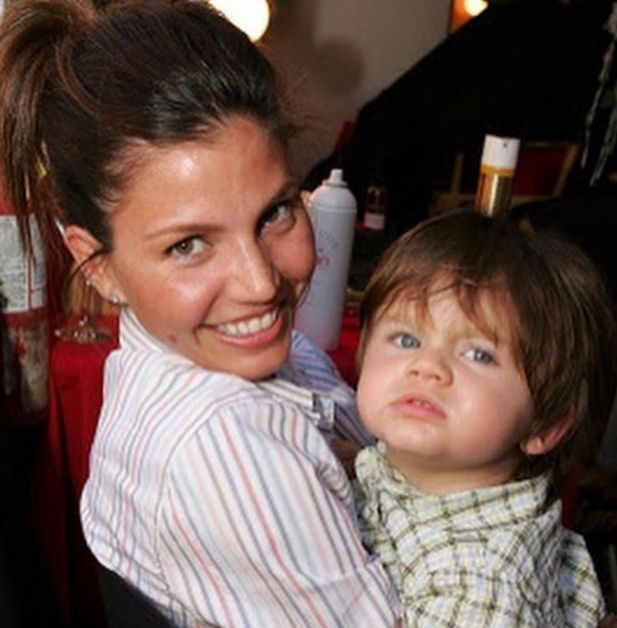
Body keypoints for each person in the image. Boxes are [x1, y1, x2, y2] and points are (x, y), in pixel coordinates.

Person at [0, 1, 399, 625]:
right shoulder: (224, 449)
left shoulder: (249, 356)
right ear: (97, 264)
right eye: (188, 245)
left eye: (276, 213)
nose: (261, 282)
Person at [353, 210, 616, 626]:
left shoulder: (479, 586)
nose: (427, 366)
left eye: (479, 354)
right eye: (406, 339)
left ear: (544, 425)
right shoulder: (421, 470)